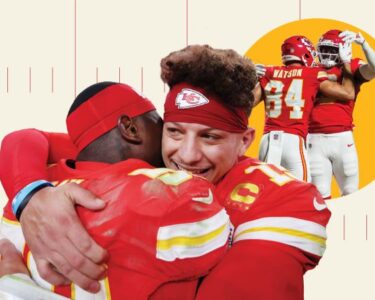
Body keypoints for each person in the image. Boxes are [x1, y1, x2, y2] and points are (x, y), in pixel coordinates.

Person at [0, 45, 330, 299]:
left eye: (209, 136)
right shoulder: (149, 156)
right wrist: (32, 195)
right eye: (174, 131)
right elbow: (27, 138)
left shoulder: (283, 200)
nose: (185, 155)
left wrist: (18, 286)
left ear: (244, 141)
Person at [0, 82, 230, 299]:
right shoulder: (168, 192)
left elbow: (35, 139)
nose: (170, 141)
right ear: (130, 128)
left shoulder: (22, 198)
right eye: (162, 125)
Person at [253, 35, 355, 182]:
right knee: (301, 194)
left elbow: (246, 104)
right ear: (305, 54)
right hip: (293, 140)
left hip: (267, 140)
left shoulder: (268, 72)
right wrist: (346, 63)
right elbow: (348, 93)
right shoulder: (313, 74)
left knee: (264, 192)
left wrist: (249, 78)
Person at [308, 29, 375, 198]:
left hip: (342, 138)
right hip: (313, 139)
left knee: (351, 193)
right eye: (325, 48)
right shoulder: (310, 69)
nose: (327, 53)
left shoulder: (350, 66)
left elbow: (374, 69)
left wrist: (365, 45)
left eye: (333, 49)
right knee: (319, 195)